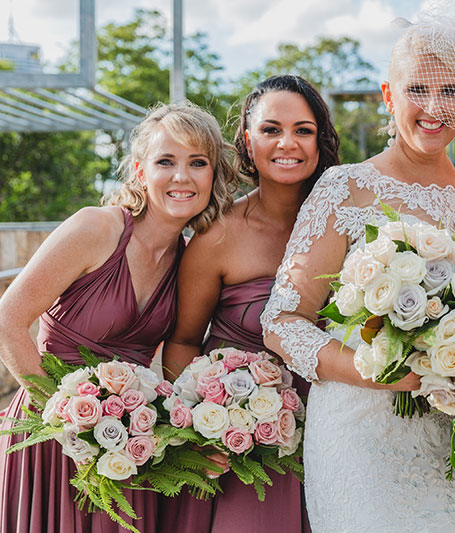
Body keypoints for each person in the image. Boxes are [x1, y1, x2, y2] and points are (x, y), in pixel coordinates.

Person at [261, 4, 455, 531]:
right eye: (417, 91)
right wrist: (382, 373)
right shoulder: (345, 188)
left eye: (450, 91)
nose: (434, 107)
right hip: (364, 438)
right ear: (389, 95)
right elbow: (281, 322)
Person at [0, 101, 237, 533]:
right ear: (141, 171)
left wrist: (184, 438)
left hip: (124, 441)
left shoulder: (188, 261)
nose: (182, 176)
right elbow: (7, 321)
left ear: (212, 176)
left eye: (197, 162)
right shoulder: (97, 229)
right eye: (166, 160)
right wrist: (67, 422)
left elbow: (177, 353)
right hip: (50, 431)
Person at [158, 75, 339, 533]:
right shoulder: (216, 235)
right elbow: (181, 341)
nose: (288, 143)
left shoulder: (348, 227)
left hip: (333, 433)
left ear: (320, 141)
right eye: (271, 129)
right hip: (242, 443)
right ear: (247, 139)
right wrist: (201, 425)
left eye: (303, 130)